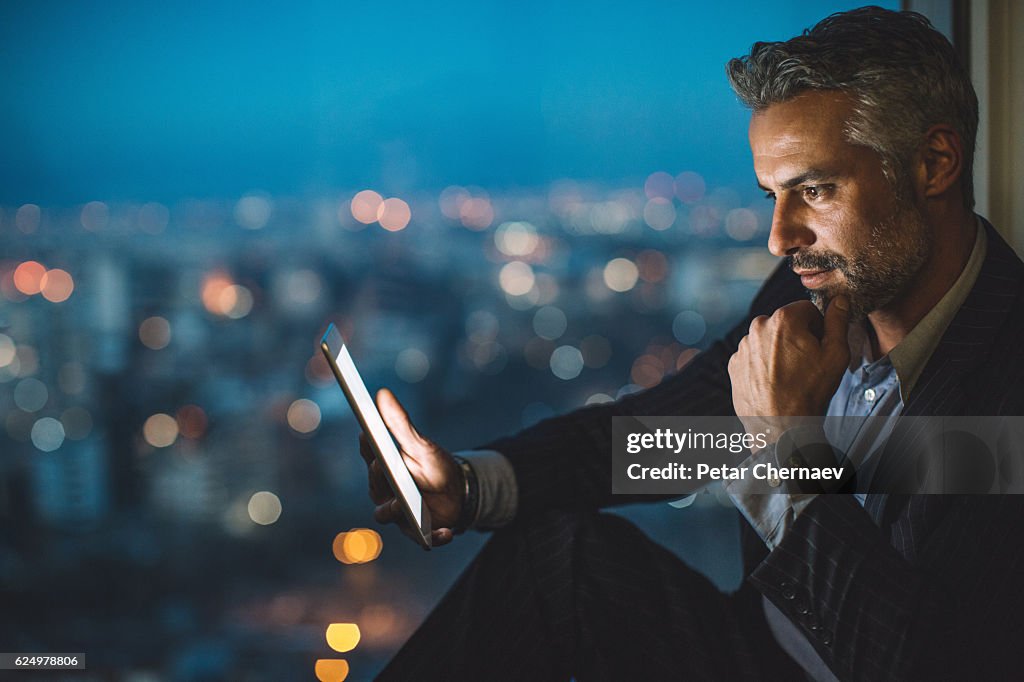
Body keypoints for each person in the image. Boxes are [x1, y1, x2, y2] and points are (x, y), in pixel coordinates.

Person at [359, 7, 1024, 680]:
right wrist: (469, 487)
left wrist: (788, 447)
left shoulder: (1008, 380)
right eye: (771, 194)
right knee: (557, 557)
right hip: (758, 647)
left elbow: (926, 663)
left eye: (815, 189)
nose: (779, 238)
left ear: (936, 162)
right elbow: (671, 441)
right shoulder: (815, 292)